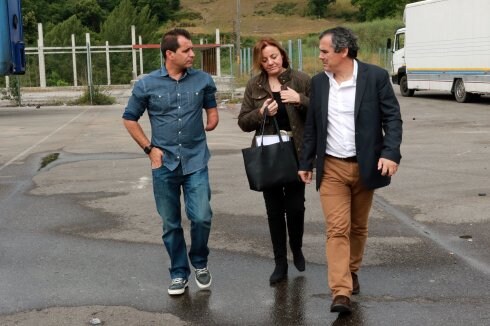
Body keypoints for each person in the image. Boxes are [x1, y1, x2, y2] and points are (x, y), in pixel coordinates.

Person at [298, 27, 402, 314]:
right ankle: (340, 291)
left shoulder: (376, 77)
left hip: (366, 165)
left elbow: (392, 119)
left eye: (324, 51)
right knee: (337, 229)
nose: (319, 56)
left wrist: (391, 153)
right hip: (331, 166)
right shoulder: (318, 83)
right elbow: (313, 127)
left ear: (343, 51)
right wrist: (305, 163)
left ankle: (351, 270)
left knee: (358, 227)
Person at [122, 28, 219, 296]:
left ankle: (199, 262)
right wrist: (149, 149)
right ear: (169, 54)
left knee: (201, 216)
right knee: (171, 223)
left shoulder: (203, 80)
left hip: (196, 160)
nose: (192, 54)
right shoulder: (146, 84)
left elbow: (211, 107)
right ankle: (178, 273)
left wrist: (212, 117)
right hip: (163, 163)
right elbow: (129, 118)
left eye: (192, 49)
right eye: (187, 50)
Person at [238, 37, 311, 285]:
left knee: (295, 208)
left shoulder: (300, 80)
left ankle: (297, 248)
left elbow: (318, 114)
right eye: (265, 59)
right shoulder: (254, 86)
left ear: (283, 55)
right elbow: (243, 122)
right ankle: (280, 262)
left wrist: (300, 100)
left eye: (274, 56)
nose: (270, 62)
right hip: (268, 152)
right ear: (259, 62)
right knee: (274, 211)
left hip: (294, 151)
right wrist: (260, 113)